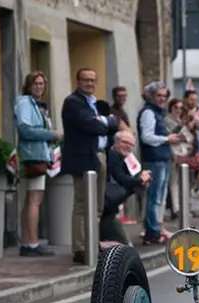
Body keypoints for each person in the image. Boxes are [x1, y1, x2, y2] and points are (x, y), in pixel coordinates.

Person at [60, 68, 121, 264]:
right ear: (78, 81)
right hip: (83, 158)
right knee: (82, 204)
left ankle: (92, 243)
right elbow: (93, 126)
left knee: (97, 206)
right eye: (86, 80)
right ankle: (80, 248)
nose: (90, 84)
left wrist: (103, 121)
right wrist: (104, 122)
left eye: (93, 80)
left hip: (100, 156)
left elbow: (115, 122)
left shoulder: (95, 103)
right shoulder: (73, 102)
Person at [15, 71, 62, 257]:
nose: (39, 87)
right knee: (35, 200)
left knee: (30, 200)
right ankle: (32, 243)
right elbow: (25, 130)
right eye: (36, 84)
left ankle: (27, 241)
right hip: (32, 155)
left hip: (37, 153)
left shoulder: (36, 105)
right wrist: (52, 134)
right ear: (28, 85)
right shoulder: (25, 103)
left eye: (42, 84)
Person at [137, 81, 182, 245]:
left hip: (161, 158)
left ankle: (156, 229)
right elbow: (146, 137)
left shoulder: (157, 112)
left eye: (164, 95)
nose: (162, 99)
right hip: (153, 159)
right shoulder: (148, 112)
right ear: (151, 96)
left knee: (159, 197)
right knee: (154, 197)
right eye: (159, 95)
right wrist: (166, 138)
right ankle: (152, 231)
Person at [99, 131, 151, 248]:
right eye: (124, 142)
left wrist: (141, 178)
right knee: (123, 244)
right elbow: (121, 178)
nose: (128, 146)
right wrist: (139, 181)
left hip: (111, 209)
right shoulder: (113, 155)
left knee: (124, 244)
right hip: (106, 205)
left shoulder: (127, 157)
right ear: (116, 142)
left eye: (131, 144)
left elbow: (130, 176)